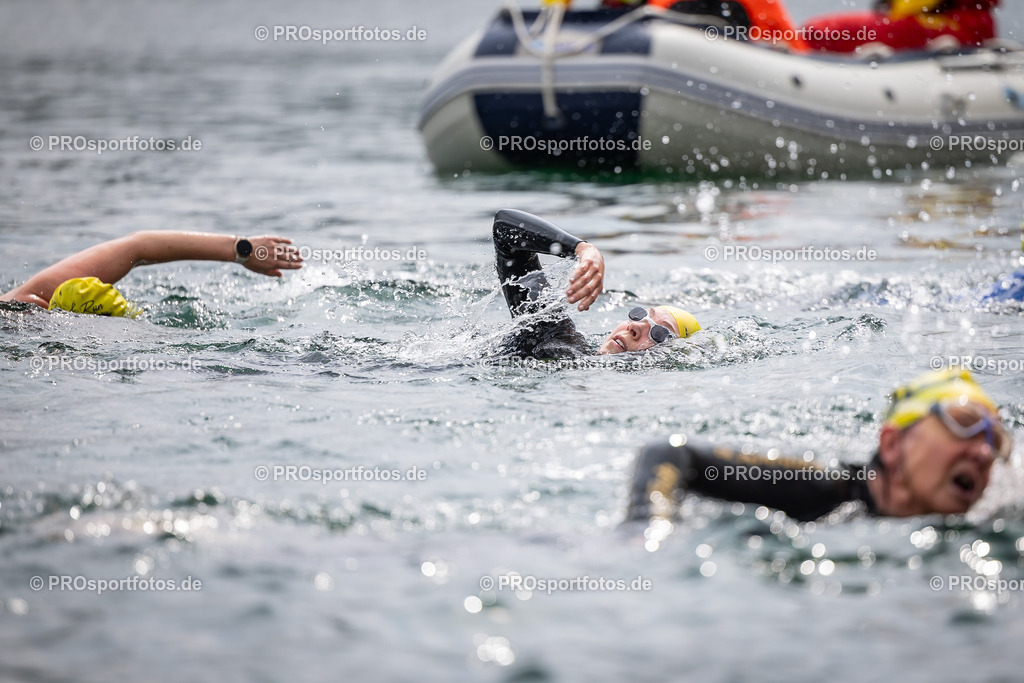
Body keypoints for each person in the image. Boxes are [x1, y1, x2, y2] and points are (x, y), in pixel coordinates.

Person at [627, 368, 1012, 522]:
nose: (983, 453)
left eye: (996, 442)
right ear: (893, 444)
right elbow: (670, 451)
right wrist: (648, 528)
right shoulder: (820, 488)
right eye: (964, 427)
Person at [492, 209, 701, 358]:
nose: (636, 326)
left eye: (660, 334)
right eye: (640, 314)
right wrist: (582, 249)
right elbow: (504, 231)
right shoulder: (556, 342)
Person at [1, 232, 303, 316]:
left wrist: (243, 249)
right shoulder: (31, 297)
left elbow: (139, 246)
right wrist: (242, 250)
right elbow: (139, 245)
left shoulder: (29, 301)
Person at [802, 0, 999, 54]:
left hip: (957, 27)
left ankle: (796, 45)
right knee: (821, 31)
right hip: (964, 24)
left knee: (820, 32)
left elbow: (907, 8)